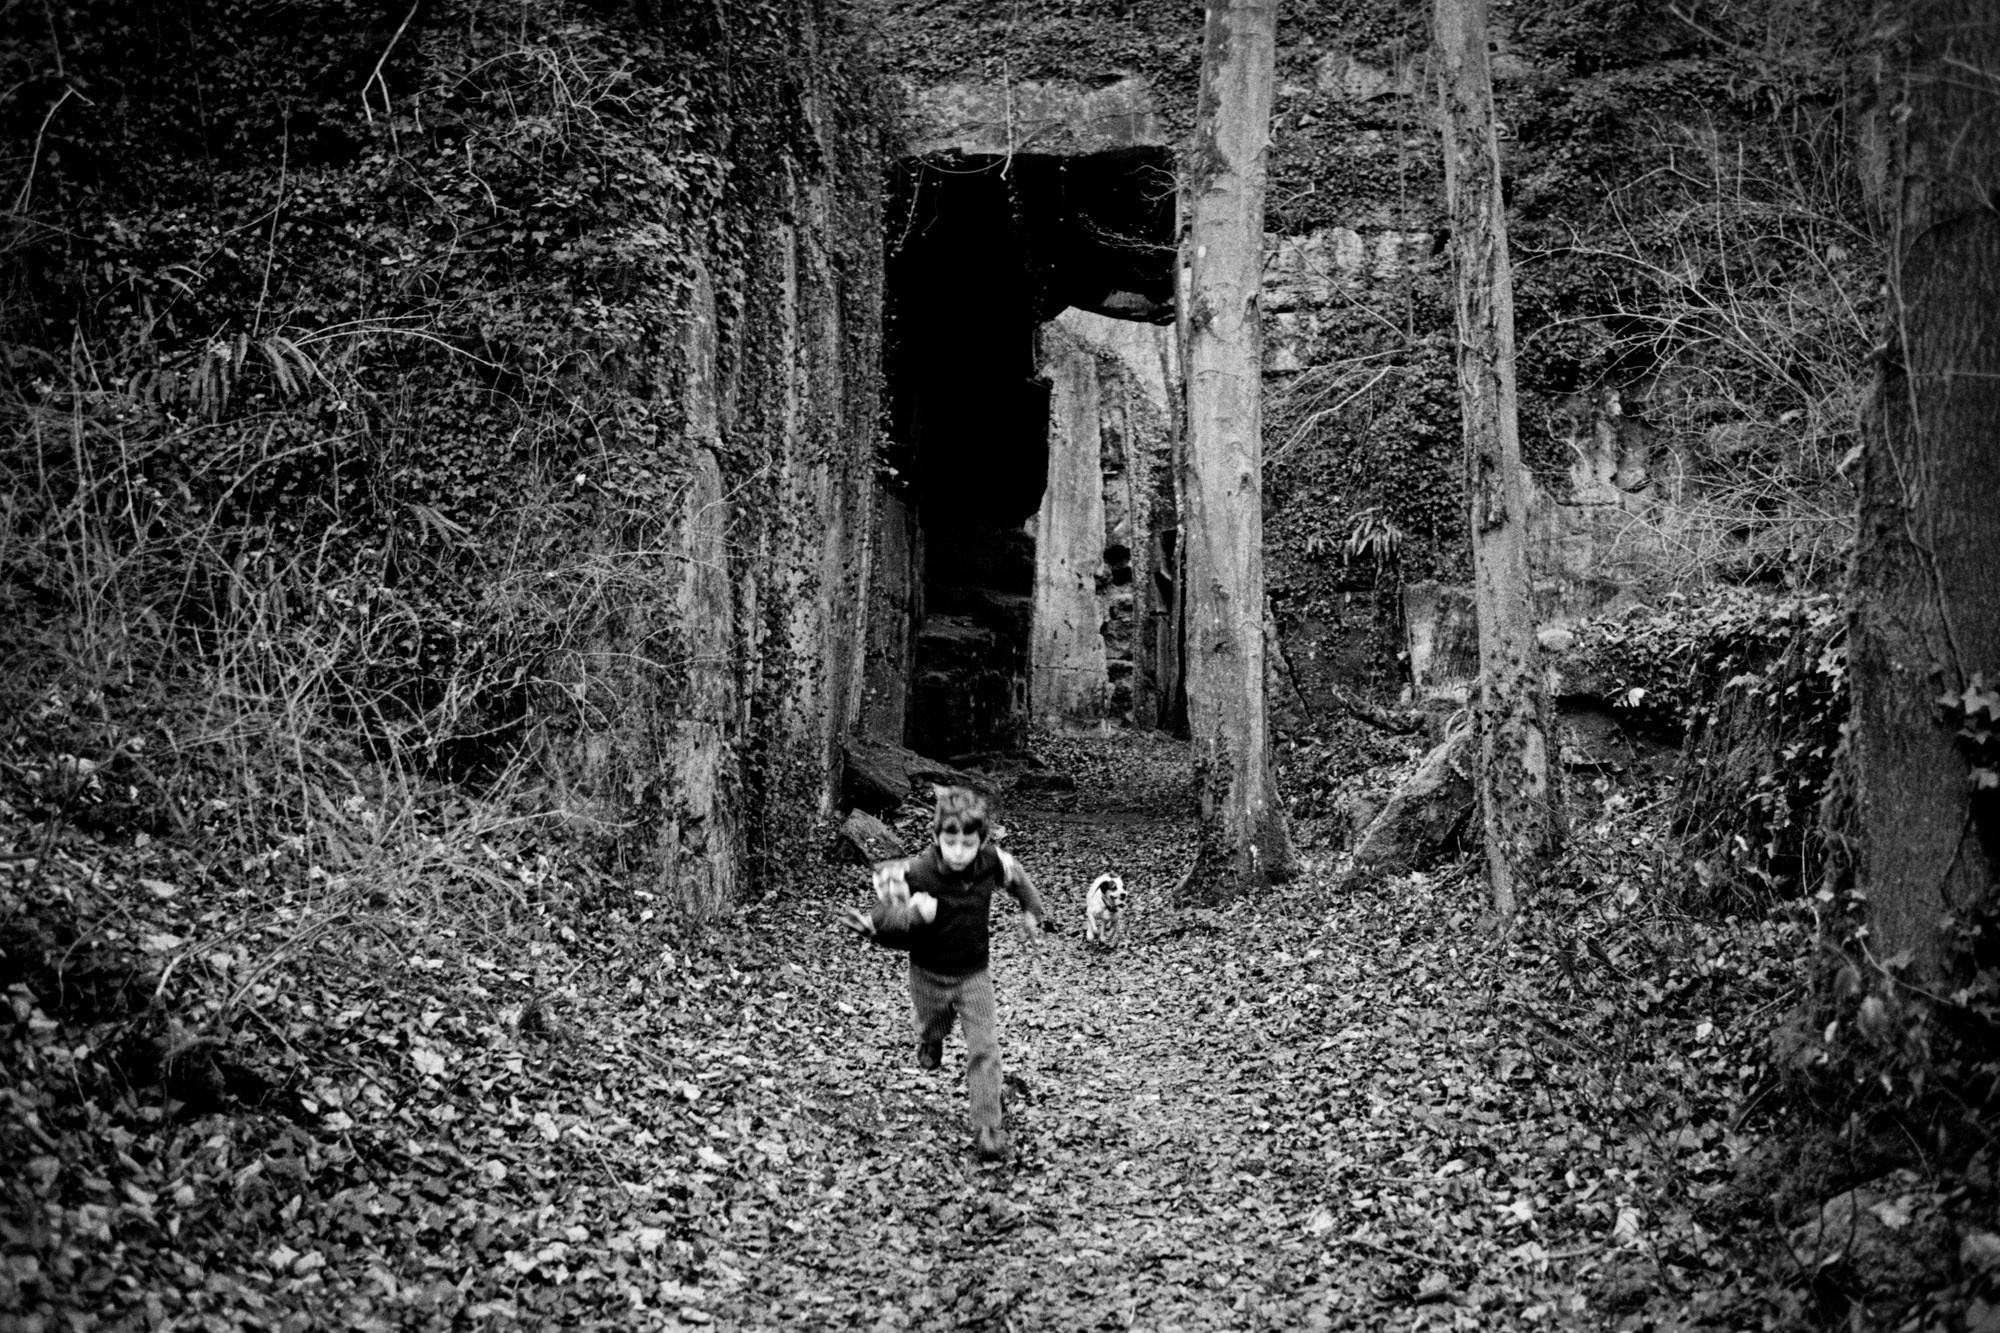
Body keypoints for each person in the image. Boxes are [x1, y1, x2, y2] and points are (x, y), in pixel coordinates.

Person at [843, 786, 1046, 1161]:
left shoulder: (992, 862)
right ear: (936, 837)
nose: (958, 851)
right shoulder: (918, 871)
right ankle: (931, 1040)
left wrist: (1031, 911)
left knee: (984, 1048)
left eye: (967, 843)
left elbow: (1018, 879)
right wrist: (895, 919)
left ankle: (988, 1128)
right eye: (950, 841)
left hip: (973, 974)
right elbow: (885, 912)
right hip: (928, 975)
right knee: (934, 1024)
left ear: (981, 840)